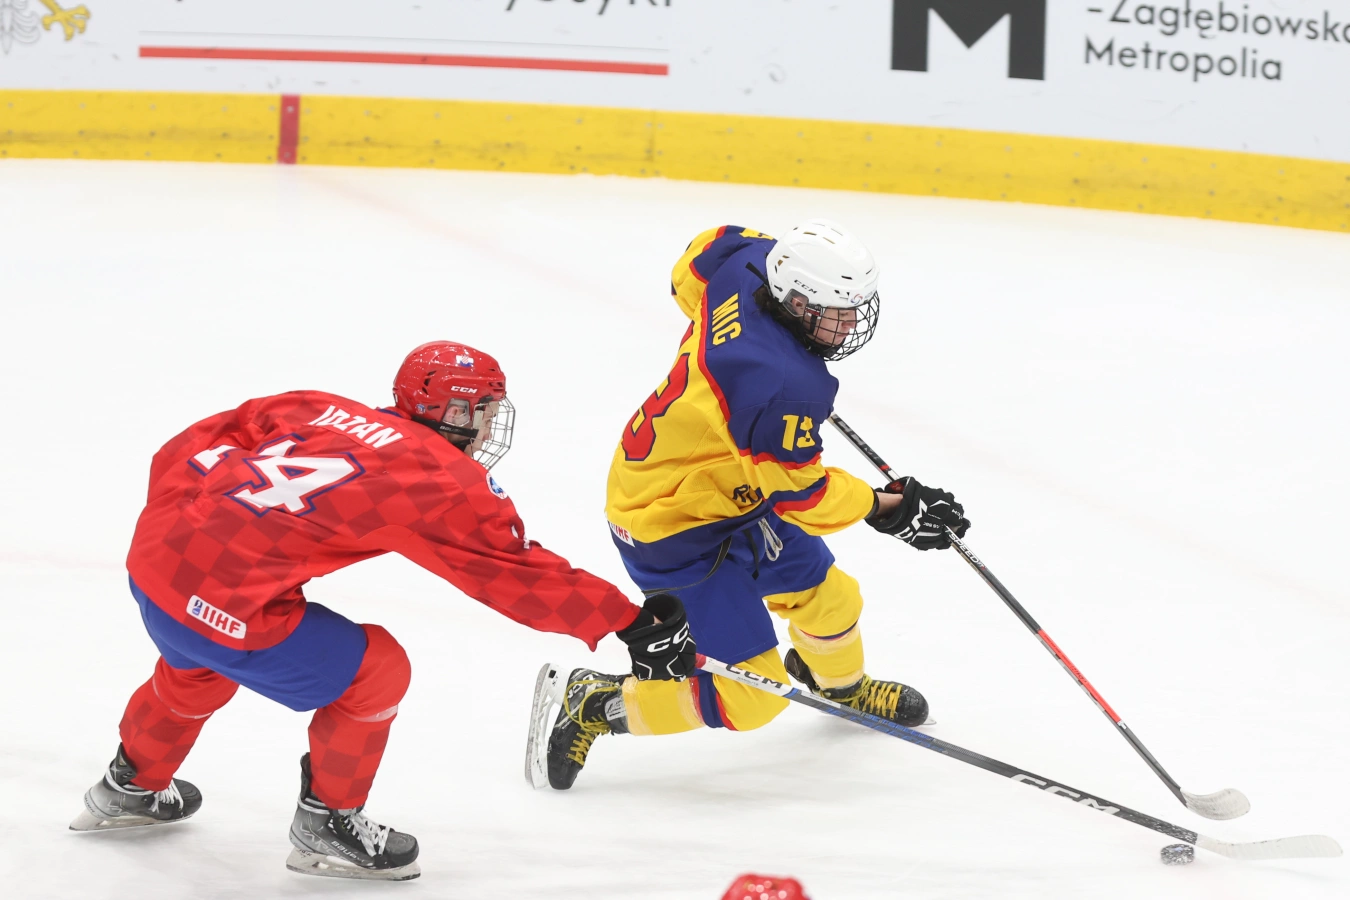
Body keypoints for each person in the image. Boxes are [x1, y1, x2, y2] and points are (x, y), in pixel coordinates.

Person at [70, 341, 696, 881]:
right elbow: (516, 574)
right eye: (483, 412)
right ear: (458, 413)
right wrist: (628, 622)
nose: (487, 429)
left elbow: (195, 442)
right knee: (377, 669)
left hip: (155, 567)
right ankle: (329, 823)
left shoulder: (317, 407)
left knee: (197, 667)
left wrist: (189, 524)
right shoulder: (440, 481)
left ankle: (129, 787)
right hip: (225, 604)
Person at [535, 221, 970, 790]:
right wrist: (887, 507)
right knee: (752, 698)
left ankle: (843, 689)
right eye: (835, 313)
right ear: (796, 300)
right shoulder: (777, 385)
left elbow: (691, 267)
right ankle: (596, 702)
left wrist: (745, 350)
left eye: (852, 308)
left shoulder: (751, 260)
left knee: (832, 601)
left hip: (730, 486)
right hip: (668, 520)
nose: (848, 324)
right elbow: (804, 497)